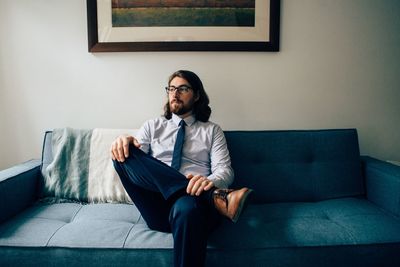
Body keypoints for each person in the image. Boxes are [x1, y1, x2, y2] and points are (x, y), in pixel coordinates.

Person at [110, 70, 252, 267]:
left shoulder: (211, 130)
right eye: (171, 88)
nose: (175, 93)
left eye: (183, 88)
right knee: (122, 155)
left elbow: (225, 171)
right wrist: (123, 140)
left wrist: (208, 182)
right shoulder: (152, 126)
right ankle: (215, 197)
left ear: (196, 95)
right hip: (156, 204)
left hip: (193, 205)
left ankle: (205, 195)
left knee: (186, 208)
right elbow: (137, 161)